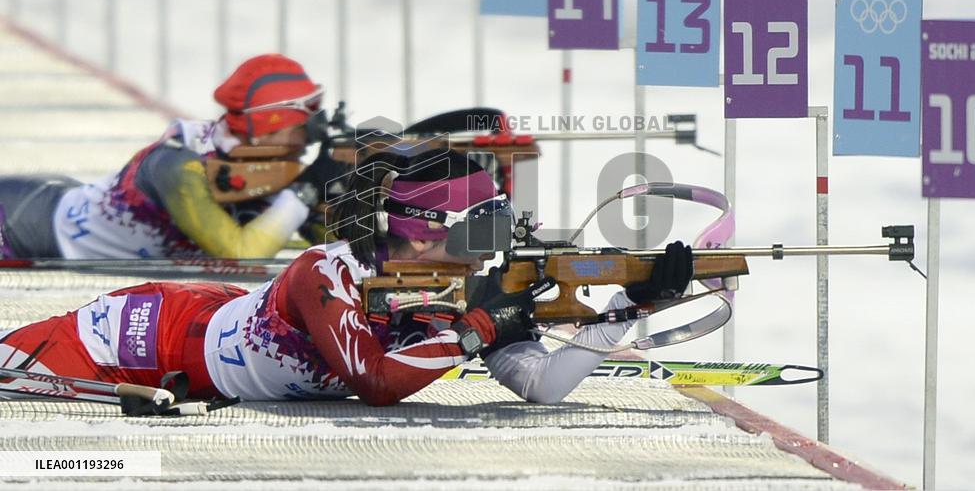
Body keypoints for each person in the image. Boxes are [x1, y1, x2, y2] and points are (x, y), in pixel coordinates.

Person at [0, 150, 693, 406]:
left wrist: (629, 309)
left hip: (201, 351)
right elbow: (375, 382)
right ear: (422, 230)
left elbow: (543, 387)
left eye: (501, 223)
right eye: (479, 229)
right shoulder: (323, 272)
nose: (493, 248)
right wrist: (484, 328)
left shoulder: (457, 293)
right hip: (136, 336)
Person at [0, 54, 344, 260]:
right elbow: (243, 253)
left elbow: (328, 244)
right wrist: (305, 193)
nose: (309, 136)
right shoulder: (179, 166)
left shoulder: (267, 168)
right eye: (305, 123)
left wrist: (342, 196)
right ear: (268, 125)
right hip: (18, 225)